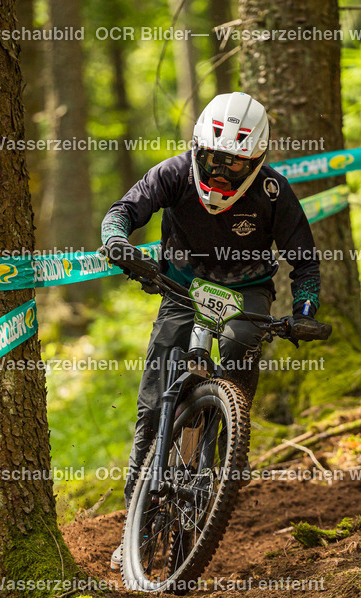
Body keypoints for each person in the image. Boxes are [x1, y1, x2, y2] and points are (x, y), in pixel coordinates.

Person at [100, 92, 323, 570]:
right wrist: (117, 242)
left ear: (256, 162)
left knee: (240, 341)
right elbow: (123, 211)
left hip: (247, 291)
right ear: (198, 149)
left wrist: (304, 311)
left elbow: (304, 260)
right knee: (150, 411)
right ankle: (132, 528)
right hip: (181, 288)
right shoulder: (174, 173)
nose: (221, 173)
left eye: (234, 164)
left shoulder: (273, 192)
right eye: (214, 159)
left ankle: (229, 437)